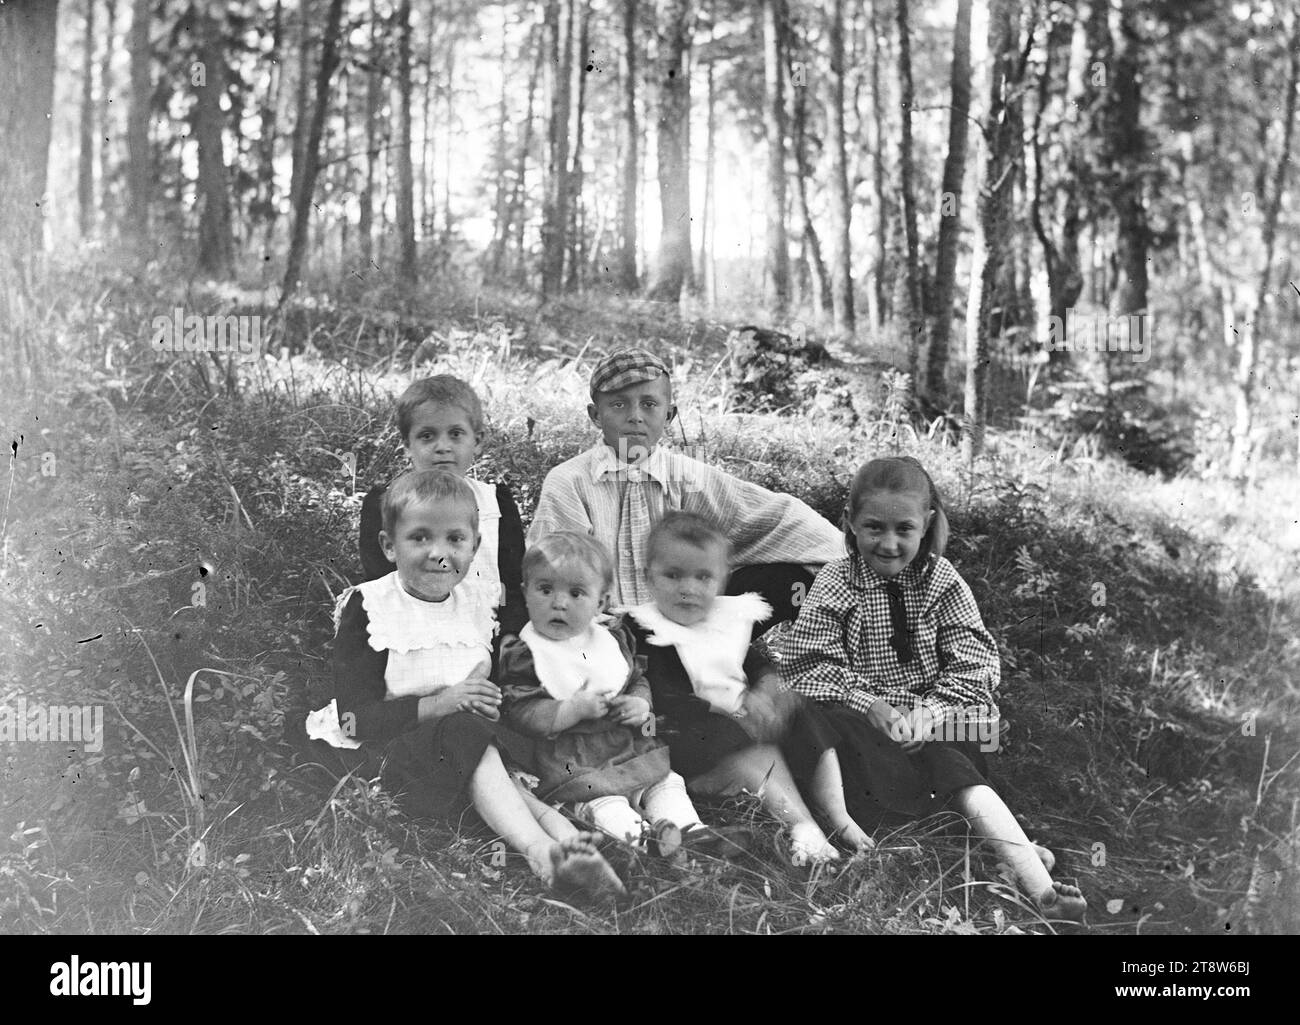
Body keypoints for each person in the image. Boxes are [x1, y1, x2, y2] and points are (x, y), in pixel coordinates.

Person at [781, 456, 1088, 921]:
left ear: (926, 524)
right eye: (873, 528)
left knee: (960, 750)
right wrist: (872, 705)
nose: (888, 544)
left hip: (935, 729)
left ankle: (1042, 890)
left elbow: (975, 664)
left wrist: (930, 711)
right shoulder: (836, 582)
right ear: (849, 523)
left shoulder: (942, 583)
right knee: (814, 720)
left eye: (904, 529)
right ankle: (992, 843)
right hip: (864, 733)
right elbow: (809, 664)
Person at [307, 470, 623, 900]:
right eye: (420, 538)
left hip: (465, 744)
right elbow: (353, 719)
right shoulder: (372, 607)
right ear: (388, 546)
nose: (439, 553)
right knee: (467, 737)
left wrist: (487, 703)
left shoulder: (476, 606)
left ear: (474, 548)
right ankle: (539, 850)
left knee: (488, 746)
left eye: (455, 540)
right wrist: (444, 703)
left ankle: (567, 842)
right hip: (389, 743)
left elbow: (488, 688)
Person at [527, 347, 842, 627]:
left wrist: (849, 557)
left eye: (649, 404)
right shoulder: (571, 481)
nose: (635, 417)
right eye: (619, 405)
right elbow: (551, 569)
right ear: (596, 415)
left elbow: (776, 516)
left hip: (682, 623)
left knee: (786, 577)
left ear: (669, 415)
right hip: (602, 629)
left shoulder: (687, 476)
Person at [622, 512, 870, 865]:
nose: (688, 588)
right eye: (673, 575)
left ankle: (839, 814)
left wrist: (766, 691)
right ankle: (804, 827)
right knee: (730, 734)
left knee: (802, 709)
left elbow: (753, 662)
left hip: (746, 722)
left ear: (721, 580)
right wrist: (731, 714)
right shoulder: (644, 627)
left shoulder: (724, 619)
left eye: (703, 577)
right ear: (649, 578)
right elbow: (662, 690)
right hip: (693, 737)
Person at [497, 532, 705, 855]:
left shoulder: (611, 639)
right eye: (545, 589)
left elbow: (635, 678)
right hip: (574, 760)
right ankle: (644, 843)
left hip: (627, 745)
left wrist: (640, 702)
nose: (559, 602)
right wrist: (569, 711)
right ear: (525, 593)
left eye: (576, 593)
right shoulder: (526, 652)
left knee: (665, 782)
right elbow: (521, 712)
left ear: (602, 602)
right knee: (604, 803)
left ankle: (689, 834)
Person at [360, 375, 526, 635]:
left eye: (456, 434)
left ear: (477, 440)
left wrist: (508, 640)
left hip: (486, 634)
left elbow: (510, 587)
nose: (443, 447)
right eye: (427, 436)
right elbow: (380, 584)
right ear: (407, 444)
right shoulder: (385, 503)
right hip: (412, 634)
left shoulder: (496, 504)